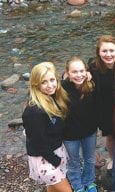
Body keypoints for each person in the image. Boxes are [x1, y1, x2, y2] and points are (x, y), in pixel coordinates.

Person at [22, 62, 72, 192]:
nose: (50, 85)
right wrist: (55, 160)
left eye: (52, 80)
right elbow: (38, 142)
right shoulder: (34, 111)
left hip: (54, 151)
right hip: (44, 158)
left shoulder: (52, 97)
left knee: (53, 187)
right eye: (44, 82)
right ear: (36, 84)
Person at [89, 35, 115, 170]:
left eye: (111, 51)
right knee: (111, 137)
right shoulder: (93, 67)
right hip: (105, 110)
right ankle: (112, 159)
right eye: (104, 51)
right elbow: (74, 74)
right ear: (98, 52)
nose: (108, 55)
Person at [62, 57, 98, 192]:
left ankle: (89, 181)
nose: (79, 75)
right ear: (67, 73)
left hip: (89, 132)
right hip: (70, 135)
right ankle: (77, 185)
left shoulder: (91, 85)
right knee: (73, 162)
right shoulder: (62, 88)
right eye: (74, 72)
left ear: (86, 71)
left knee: (89, 159)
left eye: (81, 71)